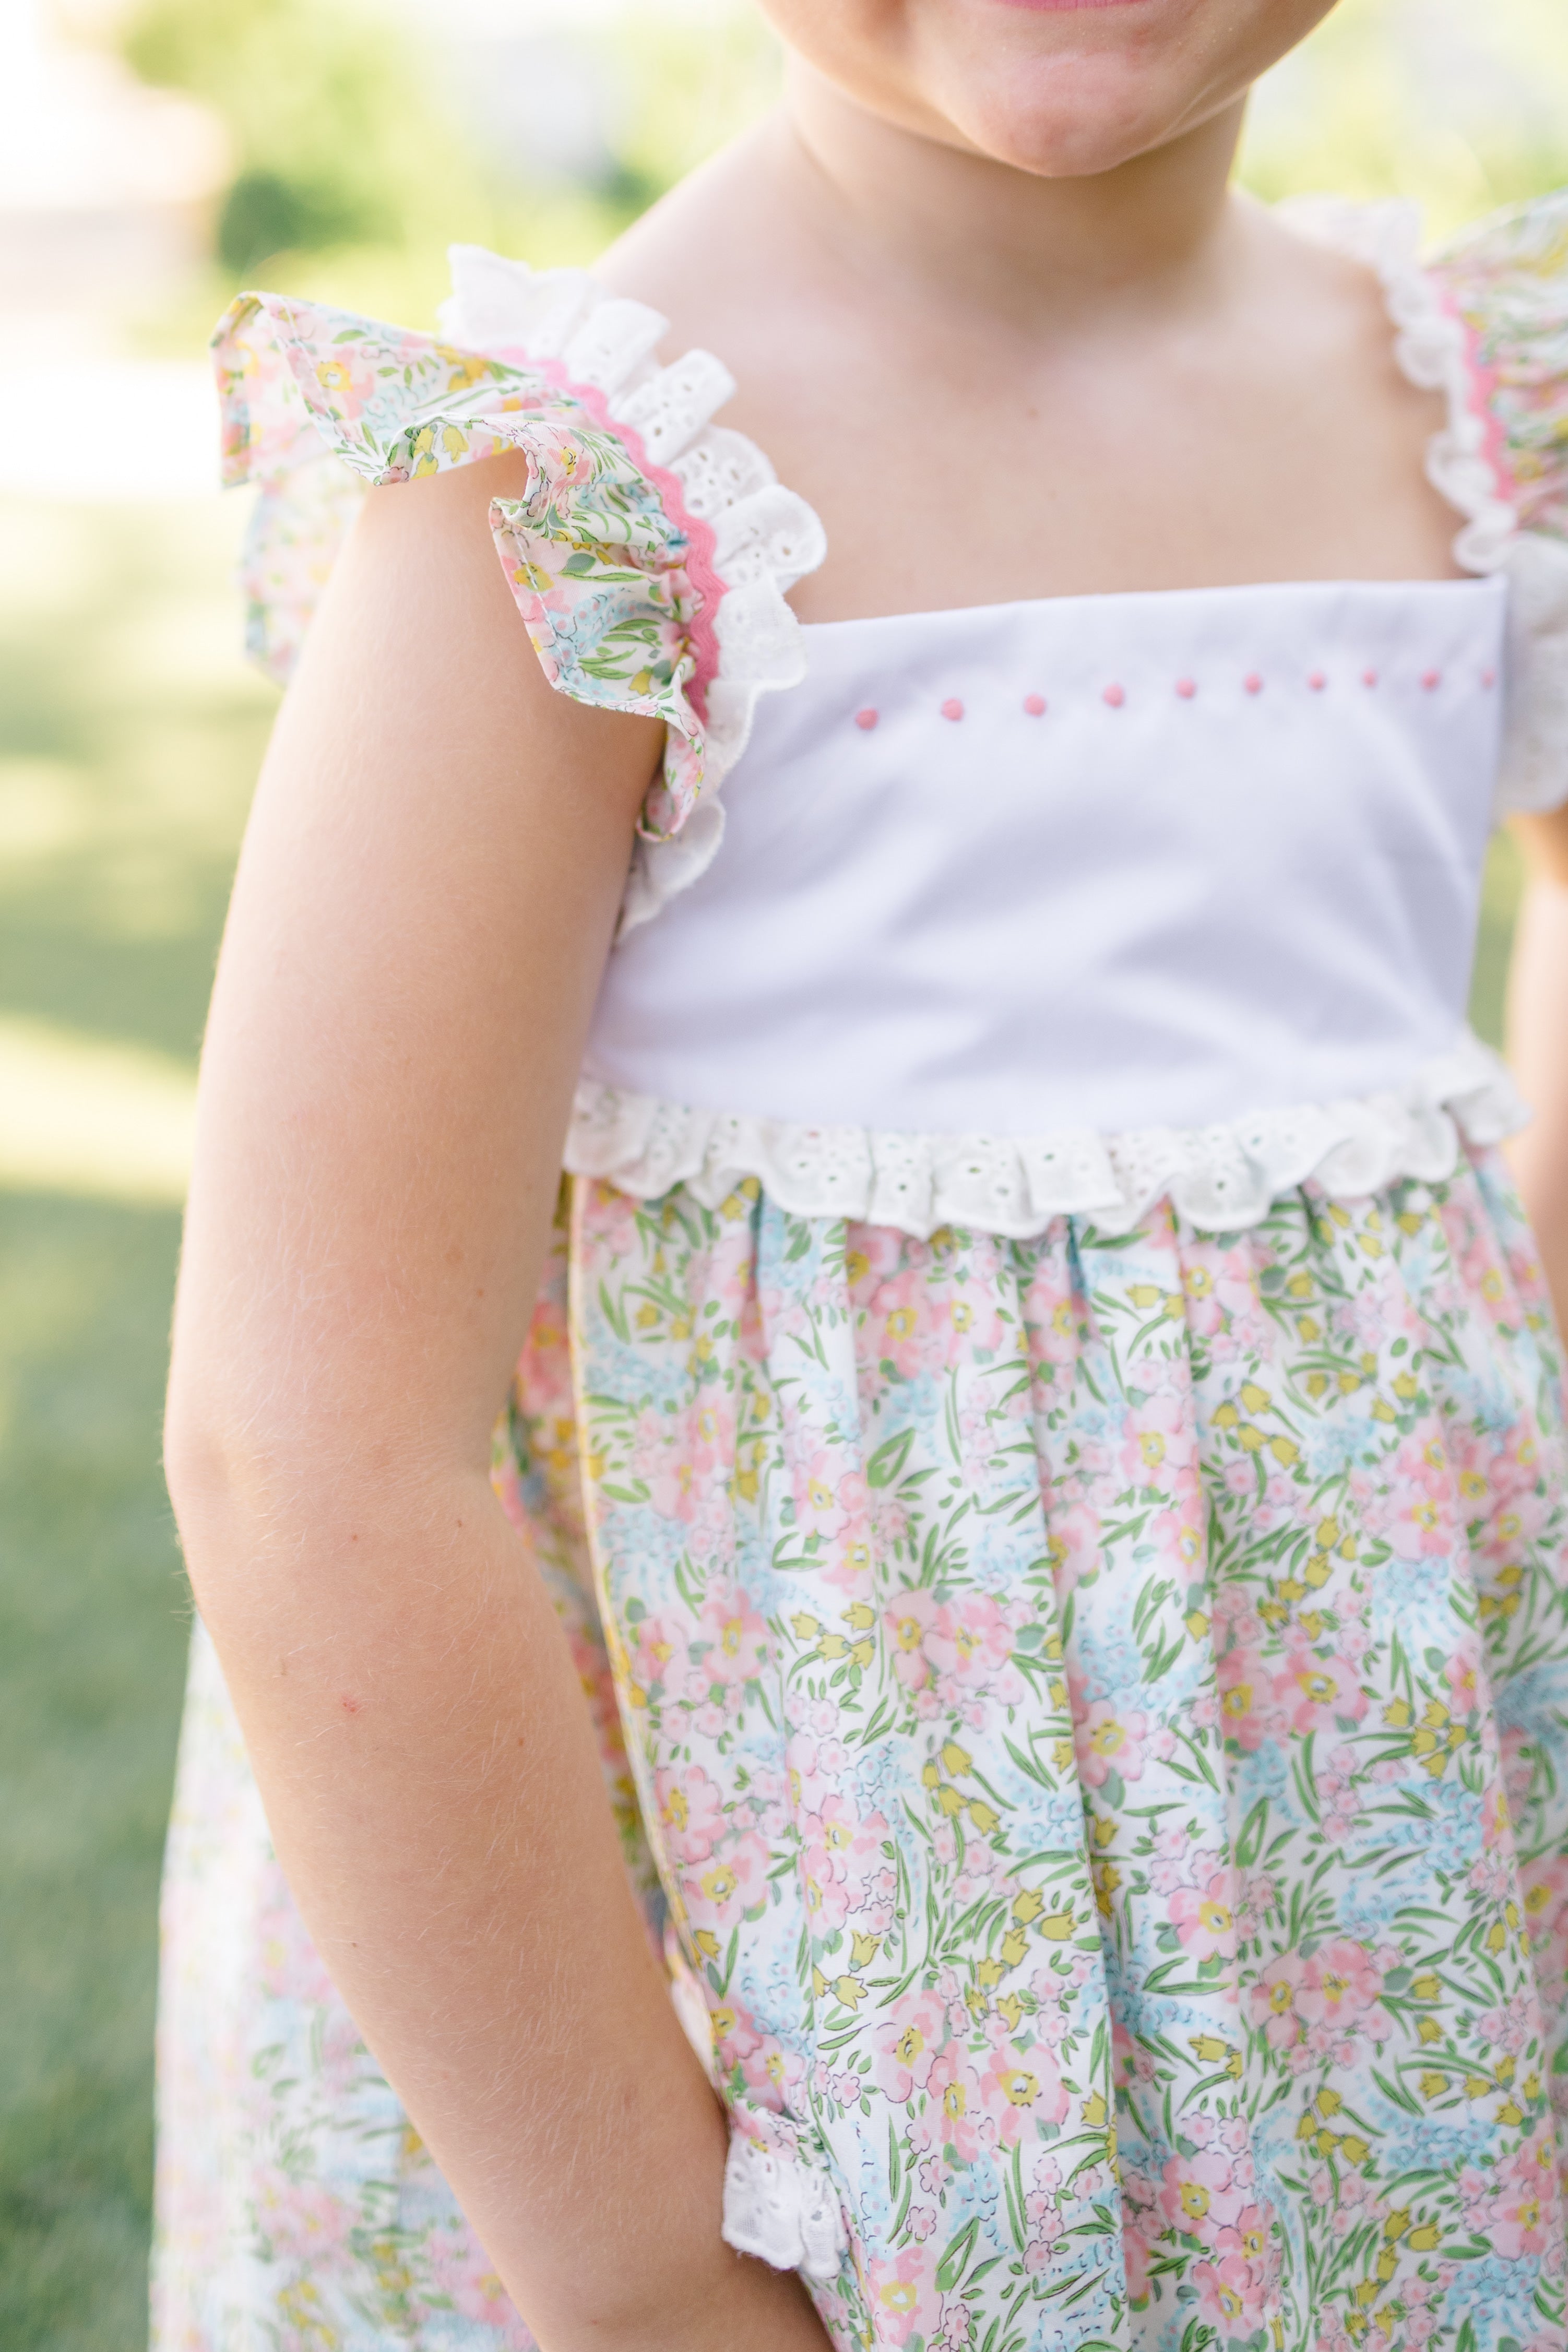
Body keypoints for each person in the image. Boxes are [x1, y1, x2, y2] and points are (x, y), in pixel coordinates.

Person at [153, 1, 1568, 2347]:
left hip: (1374, 1883)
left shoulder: (1484, 410)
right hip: (840, 1972)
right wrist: (639, 2270)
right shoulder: (571, 500)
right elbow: (310, 1447)